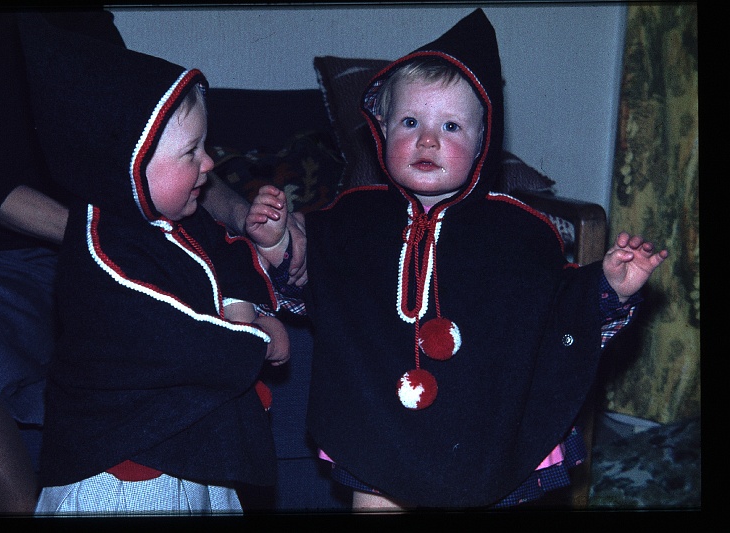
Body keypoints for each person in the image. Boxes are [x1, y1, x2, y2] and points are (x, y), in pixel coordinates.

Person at [246, 8, 668, 510]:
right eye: (409, 122)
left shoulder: (518, 232)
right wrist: (275, 243)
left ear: (484, 140)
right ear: (379, 129)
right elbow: (306, 291)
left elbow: (560, 316)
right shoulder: (349, 219)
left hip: (480, 433)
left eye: (450, 125)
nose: (427, 139)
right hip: (380, 429)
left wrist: (613, 286)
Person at [0, 10, 303, 515]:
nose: (208, 162)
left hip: (107, 231)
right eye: (196, 153)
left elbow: (154, 141)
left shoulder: (83, 25)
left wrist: (243, 220)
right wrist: (256, 333)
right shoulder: (119, 242)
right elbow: (186, 338)